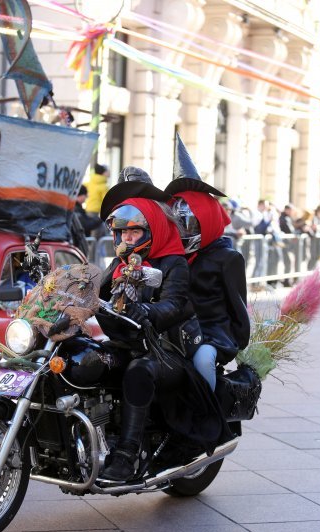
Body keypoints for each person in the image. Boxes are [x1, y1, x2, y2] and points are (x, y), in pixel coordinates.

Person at [98, 175, 232, 481]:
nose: (128, 238)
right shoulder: (120, 263)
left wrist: (145, 309)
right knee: (84, 360)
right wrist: (63, 290)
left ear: (153, 227)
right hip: (129, 341)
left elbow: (174, 304)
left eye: (135, 230)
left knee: (138, 371)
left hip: (167, 350)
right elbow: (95, 292)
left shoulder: (173, 263)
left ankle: (126, 455)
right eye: (123, 232)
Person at [164, 134, 250, 392]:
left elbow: (238, 308)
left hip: (213, 333)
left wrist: (236, 341)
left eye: (188, 223)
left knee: (202, 360)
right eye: (176, 224)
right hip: (175, 329)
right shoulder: (171, 256)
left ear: (207, 219)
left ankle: (207, 413)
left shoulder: (228, 258)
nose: (181, 231)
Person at [85, 163, 110, 238]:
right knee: (96, 236)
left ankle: (90, 249)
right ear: (103, 173)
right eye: (107, 171)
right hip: (97, 213)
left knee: (92, 236)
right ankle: (92, 250)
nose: (108, 172)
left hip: (87, 211)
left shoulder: (89, 183)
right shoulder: (103, 186)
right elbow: (107, 201)